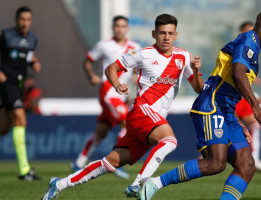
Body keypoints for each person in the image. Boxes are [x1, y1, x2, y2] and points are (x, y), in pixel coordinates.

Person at [42, 13, 203, 200]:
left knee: (110, 163)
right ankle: (139, 183)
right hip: (142, 111)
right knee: (170, 141)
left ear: (176, 35)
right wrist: (117, 84)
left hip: (152, 122)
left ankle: (59, 184)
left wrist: (197, 72)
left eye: (170, 33)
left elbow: (198, 88)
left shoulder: (184, 57)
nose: (166, 37)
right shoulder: (144, 54)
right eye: (162, 33)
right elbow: (111, 68)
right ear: (154, 34)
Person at [139, 8, 261, 200]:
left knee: (246, 165)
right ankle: (153, 183)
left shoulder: (253, 49)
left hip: (225, 112)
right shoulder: (247, 40)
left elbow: (230, 88)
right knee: (216, 163)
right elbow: (238, 73)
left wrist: (237, 119)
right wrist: (256, 107)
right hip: (210, 107)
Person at [70, 15, 141, 179]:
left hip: (122, 95)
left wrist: (135, 76)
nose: (119, 29)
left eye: (123, 26)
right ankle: (117, 161)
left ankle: (78, 162)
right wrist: (91, 76)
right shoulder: (104, 45)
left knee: (101, 131)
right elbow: (87, 60)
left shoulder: (135, 46)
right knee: (127, 123)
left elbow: (136, 67)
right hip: (108, 92)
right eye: (117, 26)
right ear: (113, 28)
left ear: (127, 28)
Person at [0, 6, 41, 181]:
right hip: (5, 82)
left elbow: (29, 56)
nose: (25, 23)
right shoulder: (5, 35)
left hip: (18, 85)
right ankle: (24, 170)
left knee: (4, 127)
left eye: (28, 19)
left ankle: (24, 170)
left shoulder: (32, 39)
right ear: (16, 20)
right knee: (20, 118)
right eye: (22, 19)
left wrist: (35, 62)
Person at [236, 21, 261, 173]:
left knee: (249, 124)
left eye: (253, 32)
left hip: (237, 96)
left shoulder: (251, 50)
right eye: (247, 32)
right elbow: (237, 76)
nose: (251, 35)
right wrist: (255, 99)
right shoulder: (239, 47)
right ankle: (253, 158)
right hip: (232, 95)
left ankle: (253, 158)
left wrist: (255, 97)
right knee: (254, 121)